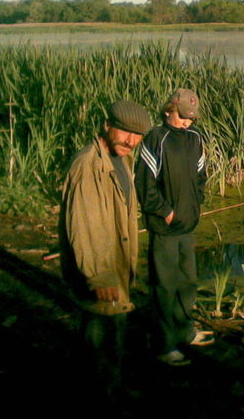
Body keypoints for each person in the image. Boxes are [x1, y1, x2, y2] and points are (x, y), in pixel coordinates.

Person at [58, 99, 152, 397]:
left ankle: (113, 390)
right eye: (125, 132)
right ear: (107, 126)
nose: (131, 140)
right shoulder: (88, 165)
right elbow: (84, 223)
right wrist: (98, 275)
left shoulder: (121, 160)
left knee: (114, 336)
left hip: (117, 264)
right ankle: (99, 400)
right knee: (97, 341)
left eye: (138, 135)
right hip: (101, 272)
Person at [135, 88, 212, 366]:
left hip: (188, 226)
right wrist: (166, 213)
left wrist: (195, 205)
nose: (186, 122)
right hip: (165, 228)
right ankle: (164, 343)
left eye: (191, 118)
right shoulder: (156, 138)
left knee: (187, 282)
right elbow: (145, 185)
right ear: (168, 110)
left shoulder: (195, 138)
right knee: (164, 286)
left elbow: (201, 176)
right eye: (182, 116)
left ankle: (184, 330)